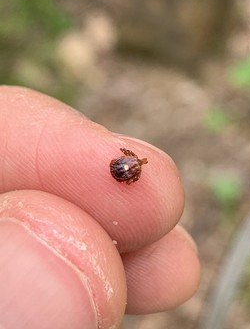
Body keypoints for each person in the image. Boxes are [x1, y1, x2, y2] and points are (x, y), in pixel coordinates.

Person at [0, 86, 201, 329]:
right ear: (136, 162)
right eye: (138, 161)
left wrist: (125, 170)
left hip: (118, 170)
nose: (137, 163)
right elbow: (126, 173)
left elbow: (123, 167)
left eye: (137, 162)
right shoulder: (134, 167)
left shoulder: (131, 164)